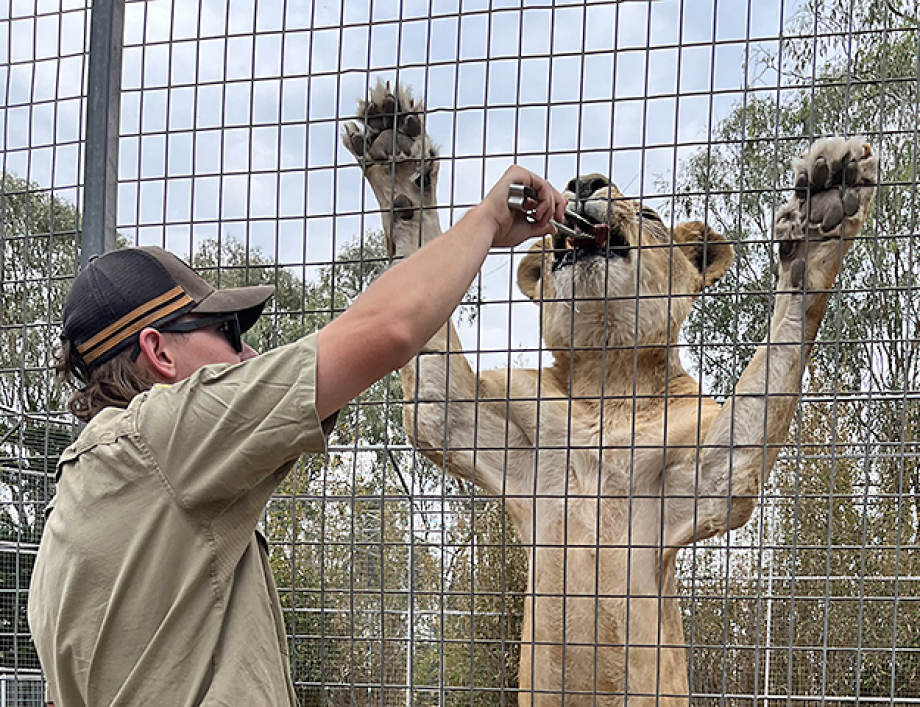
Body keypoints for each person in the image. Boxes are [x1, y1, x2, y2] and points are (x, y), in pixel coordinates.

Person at [28, 166, 565, 707]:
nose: (250, 356)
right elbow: (388, 328)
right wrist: (490, 218)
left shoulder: (72, 513)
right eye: (228, 333)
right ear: (159, 352)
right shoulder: (162, 436)